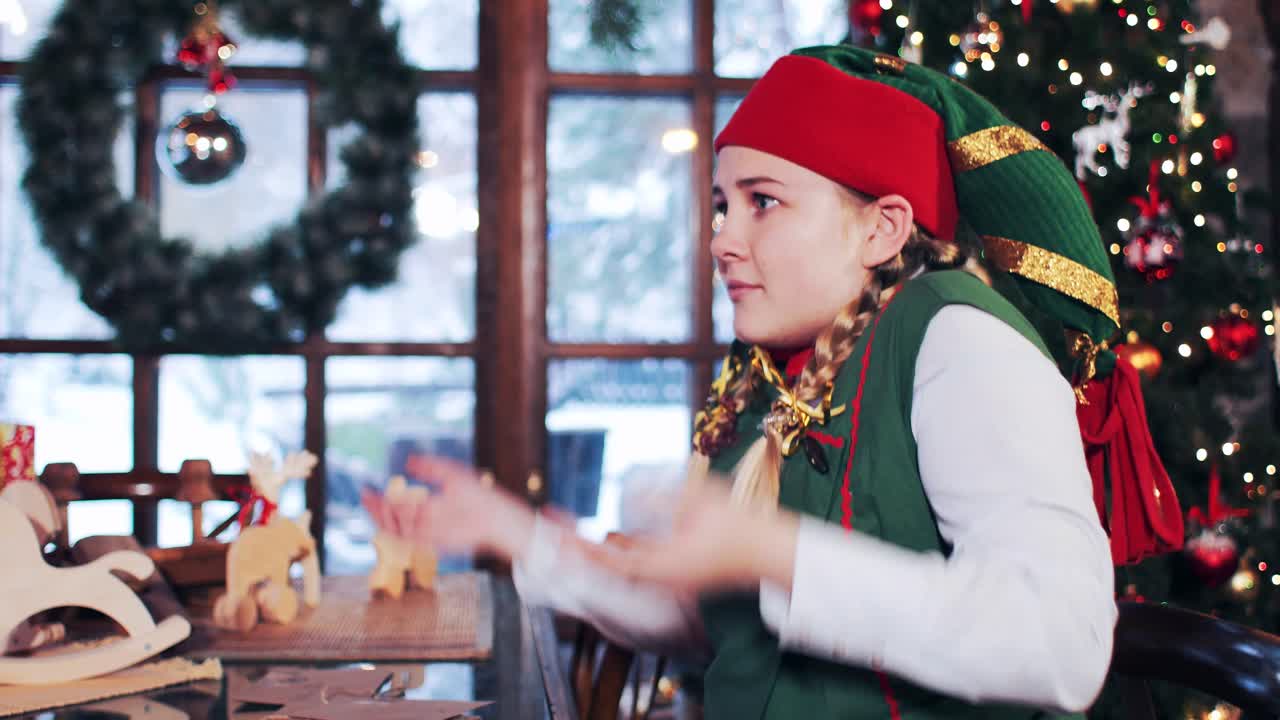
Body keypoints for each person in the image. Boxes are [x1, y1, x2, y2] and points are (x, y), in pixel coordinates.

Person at [364, 45, 1184, 719]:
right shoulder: (771, 371)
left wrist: (775, 549)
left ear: (881, 227)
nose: (722, 239)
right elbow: (705, 623)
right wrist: (515, 534)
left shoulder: (958, 338)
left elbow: (1062, 644)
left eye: (763, 203)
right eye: (722, 206)